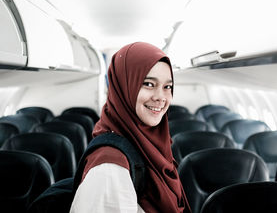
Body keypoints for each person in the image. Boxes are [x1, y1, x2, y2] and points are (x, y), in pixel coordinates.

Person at [70, 42, 191, 213]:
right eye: (149, 84)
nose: (161, 97)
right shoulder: (110, 168)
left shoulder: (154, 145)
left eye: (167, 87)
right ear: (124, 87)